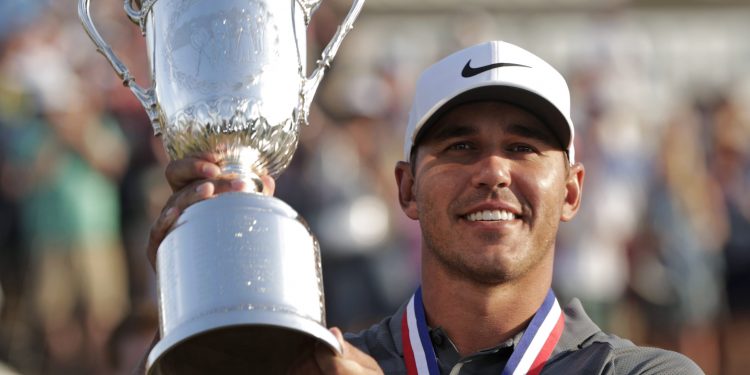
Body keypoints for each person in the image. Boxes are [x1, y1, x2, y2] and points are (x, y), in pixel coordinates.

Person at [147, 41, 703, 374]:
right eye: (460, 147)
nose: (493, 171)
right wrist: (200, 299)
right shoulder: (319, 367)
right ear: (407, 190)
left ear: (572, 191)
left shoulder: (641, 372)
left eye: (522, 148)